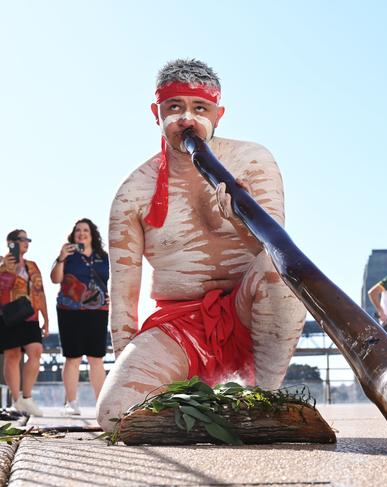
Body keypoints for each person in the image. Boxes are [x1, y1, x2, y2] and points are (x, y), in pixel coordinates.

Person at [96, 59, 306, 431]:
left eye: (199, 108)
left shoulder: (253, 160)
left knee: (280, 269)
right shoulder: (132, 192)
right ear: (155, 113)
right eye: (174, 107)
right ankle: (220, 413)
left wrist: (242, 225)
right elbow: (123, 295)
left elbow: (276, 255)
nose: (186, 119)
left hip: (249, 309)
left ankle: (263, 399)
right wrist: (128, 366)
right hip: (179, 326)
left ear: (218, 114)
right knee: (116, 417)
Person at [50, 219, 109, 415]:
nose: (81, 233)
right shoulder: (67, 255)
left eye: (85, 230)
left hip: (98, 310)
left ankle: (101, 403)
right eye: (78, 230)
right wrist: (60, 258)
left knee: (96, 357)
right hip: (70, 310)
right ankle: (71, 403)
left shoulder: (103, 257)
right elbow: (55, 279)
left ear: (92, 234)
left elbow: (116, 278)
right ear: (73, 235)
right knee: (72, 357)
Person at [0, 229, 48, 416]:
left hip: (30, 316)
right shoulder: (2, 266)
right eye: (22, 239)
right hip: (8, 316)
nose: (26, 242)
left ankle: (27, 397)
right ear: (11, 242)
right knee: (12, 355)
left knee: (35, 350)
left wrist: (46, 317)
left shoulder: (32, 266)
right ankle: (16, 399)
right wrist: (8, 271)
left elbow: (40, 292)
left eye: (28, 239)